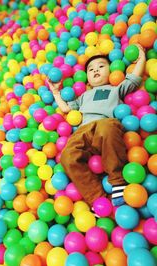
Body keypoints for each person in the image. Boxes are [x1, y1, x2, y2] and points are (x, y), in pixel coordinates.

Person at [47, 44, 146, 208]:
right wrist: (56, 92)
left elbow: (134, 79)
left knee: (107, 129)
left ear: (112, 71)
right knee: (67, 156)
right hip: (83, 131)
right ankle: (97, 199)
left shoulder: (115, 89)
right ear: (87, 77)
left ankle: (117, 181)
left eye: (101, 66)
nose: (96, 70)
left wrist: (141, 59)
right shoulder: (84, 95)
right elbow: (65, 108)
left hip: (105, 123)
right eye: (91, 69)